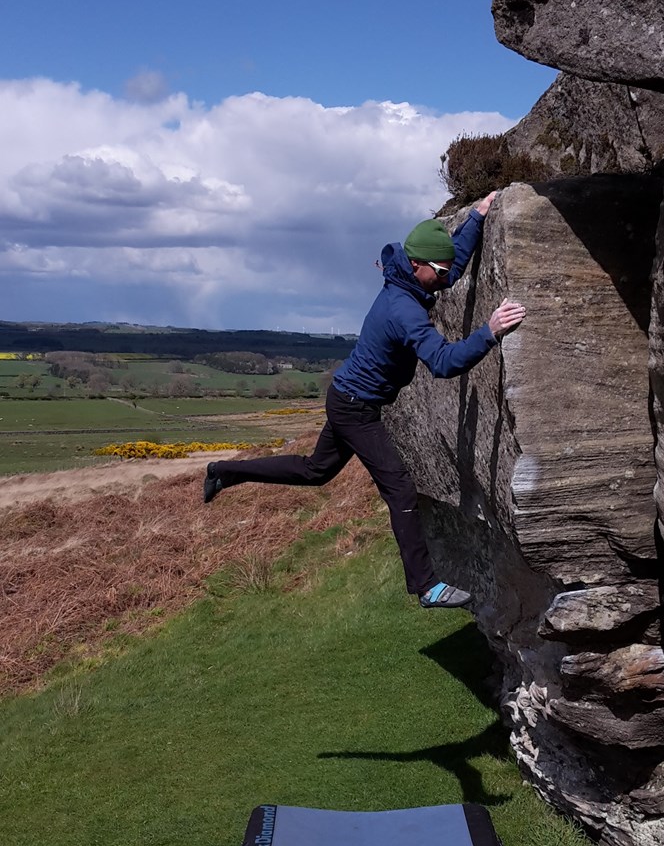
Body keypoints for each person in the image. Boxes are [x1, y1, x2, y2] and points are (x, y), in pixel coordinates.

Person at [203, 190, 526, 609]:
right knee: (400, 489)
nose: (446, 275)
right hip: (354, 406)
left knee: (315, 471)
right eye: (439, 269)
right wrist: (490, 330)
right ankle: (427, 586)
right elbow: (444, 362)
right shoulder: (402, 310)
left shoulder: (410, 278)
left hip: (348, 397)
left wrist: (477, 218)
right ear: (417, 266)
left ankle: (223, 472)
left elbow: (452, 265)